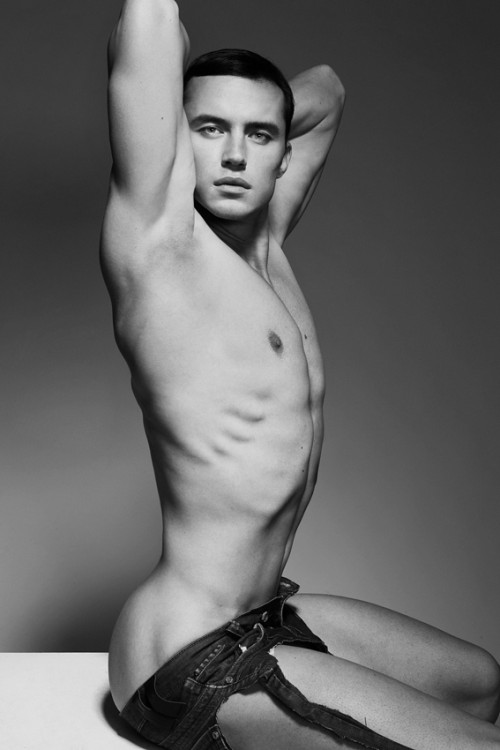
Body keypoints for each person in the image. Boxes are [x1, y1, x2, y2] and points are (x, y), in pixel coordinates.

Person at [100, 1, 500, 748]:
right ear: (174, 139)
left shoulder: (269, 242)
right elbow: (149, 20)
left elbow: (327, 90)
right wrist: (181, 92)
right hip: (189, 654)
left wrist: (243, 104)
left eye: (258, 135)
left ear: (283, 153)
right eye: (208, 129)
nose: (234, 155)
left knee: (479, 681)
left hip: (261, 614)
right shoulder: (160, 248)